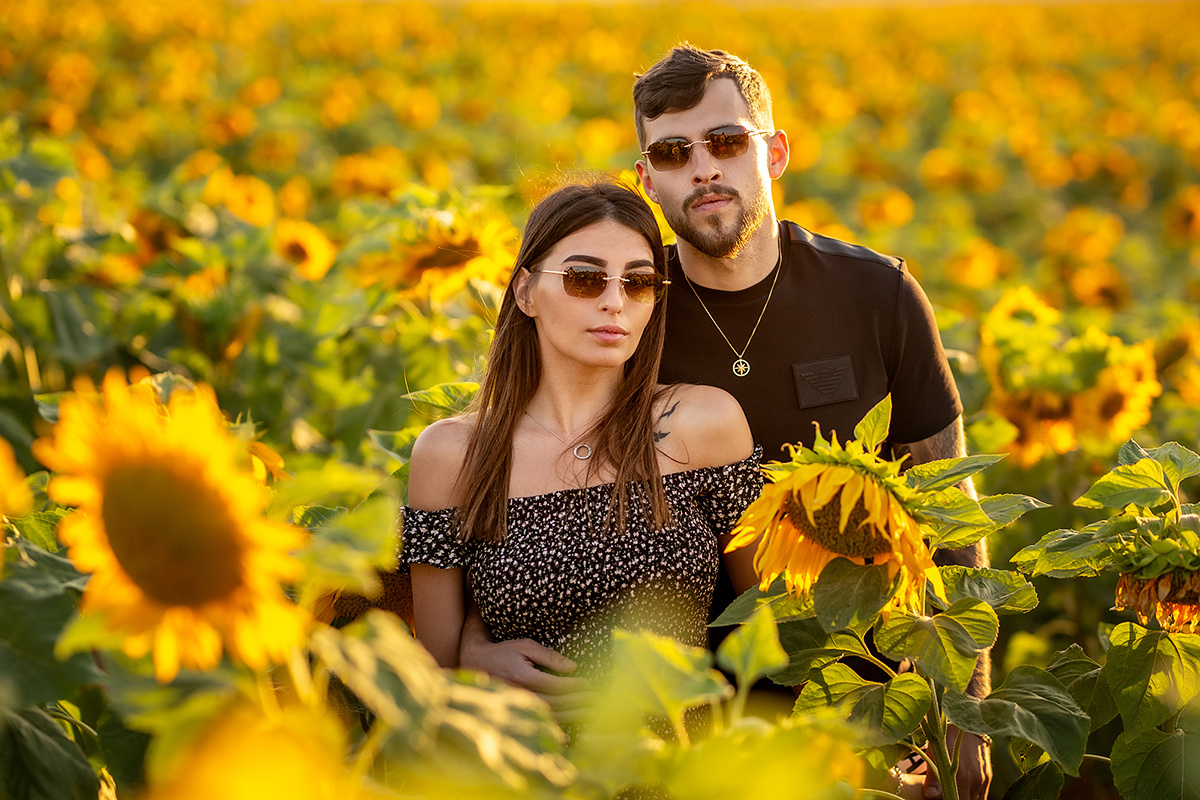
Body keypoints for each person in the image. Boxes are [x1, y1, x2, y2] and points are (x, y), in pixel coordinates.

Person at [460, 46, 993, 800]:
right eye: (674, 152)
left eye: (727, 141)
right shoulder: (627, 305)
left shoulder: (877, 294)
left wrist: (966, 710)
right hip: (688, 717)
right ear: (647, 181)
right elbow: (516, 475)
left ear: (772, 152)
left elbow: (949, 509)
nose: (703, 167)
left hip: (864, 693)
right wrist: (472, 645)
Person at [402, 179, 764, 732]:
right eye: (584, 278)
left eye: (638, 283)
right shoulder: (454, 454)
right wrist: (472, 663)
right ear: (525, 293)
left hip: (683, 770)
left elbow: (779, 616)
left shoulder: (703, 425)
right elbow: (429, 684)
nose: (614, 301)